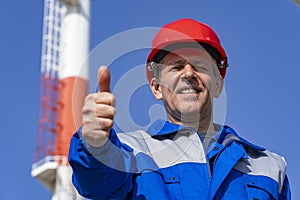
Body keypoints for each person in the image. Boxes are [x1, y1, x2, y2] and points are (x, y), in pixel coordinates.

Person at [68, 18, 291, 199]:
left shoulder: (269, 166)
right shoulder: (131, 151)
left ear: (218, 84)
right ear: (156, 88)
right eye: (176, 66)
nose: (188, 74)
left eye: (200, 66)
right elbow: (96, 183)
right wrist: (95, 144)